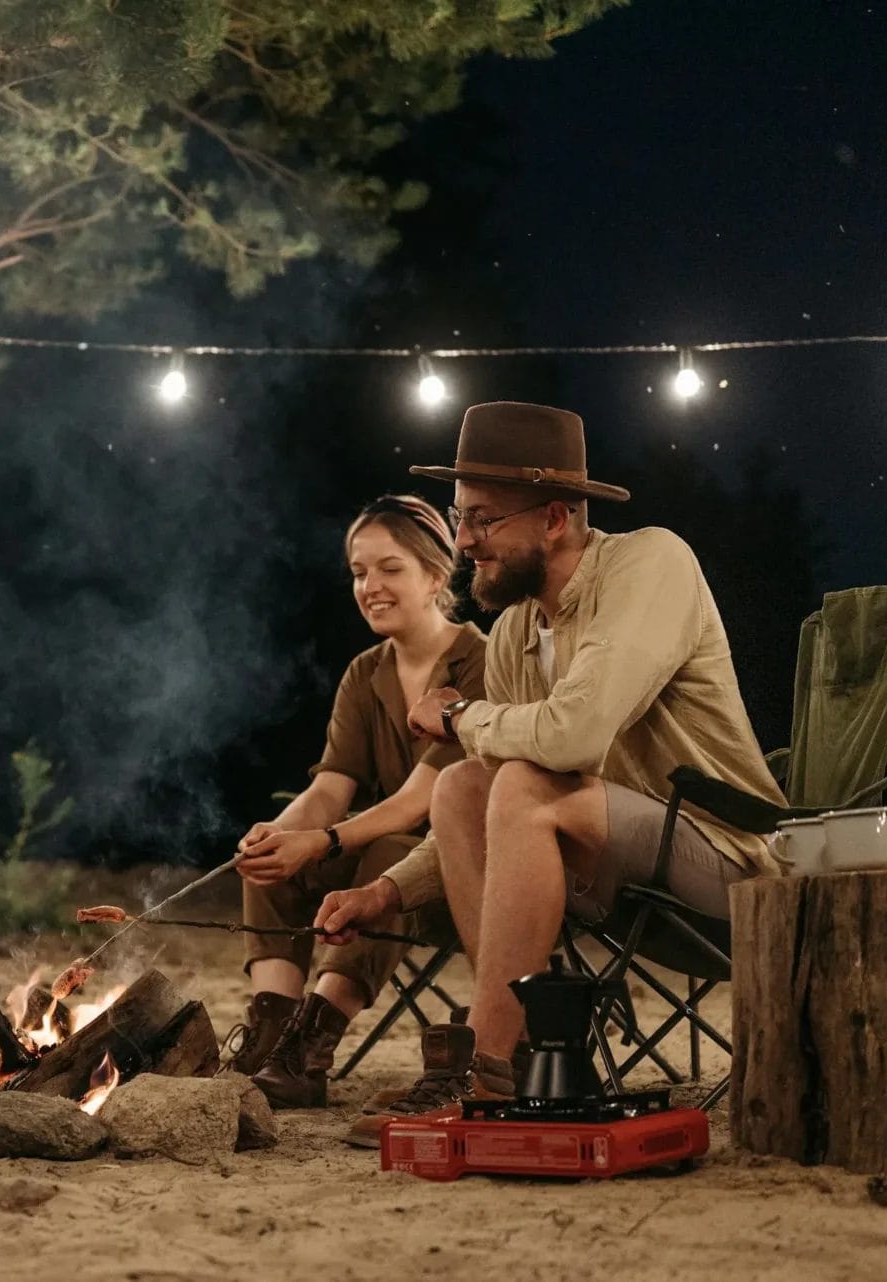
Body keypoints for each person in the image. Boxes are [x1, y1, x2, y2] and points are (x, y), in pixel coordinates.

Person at [314, 401, 786, 1147]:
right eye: (459, 517)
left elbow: (574, 733)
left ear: (557, 519)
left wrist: (462, 716)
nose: (463, 542)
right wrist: (387, 891)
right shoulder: (512, 635)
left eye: (482, 521)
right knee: (469, 785)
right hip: (622, 885)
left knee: (524, 783)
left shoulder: (650, 564)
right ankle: (526, 1052)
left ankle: (489, 1067)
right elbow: (487, 807)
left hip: (731, 871)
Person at [227, 494, 486, 1110]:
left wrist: (320, 840)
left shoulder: (481, 660)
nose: (370, 586)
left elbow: (422, 798)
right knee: (270, 856)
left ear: (435, 573)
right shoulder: (365, 672)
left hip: (461, 875)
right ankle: (270, 1040)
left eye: (389, 568)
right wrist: (279, 835)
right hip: (378, 861)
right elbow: (330, 787)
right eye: (359, 571)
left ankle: (311, 1047)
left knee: (390, 850)